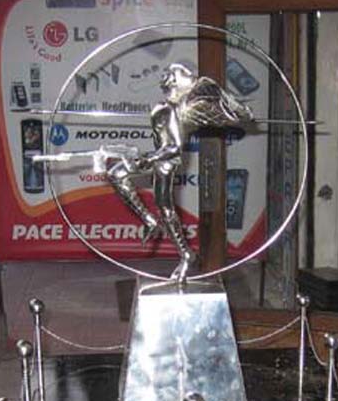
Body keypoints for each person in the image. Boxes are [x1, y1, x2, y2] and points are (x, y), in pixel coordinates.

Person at [107, 62, 253, 282]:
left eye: (174, 72)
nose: (168, 74)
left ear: (173, 81)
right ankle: (169, 238)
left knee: (126, 181)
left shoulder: (171, 110)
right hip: (160, 159)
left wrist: (148, 158)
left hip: (164, 161)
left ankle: (172, 242)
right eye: (177, 72)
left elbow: (174, 146)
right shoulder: (165, 107)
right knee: (159, 206)